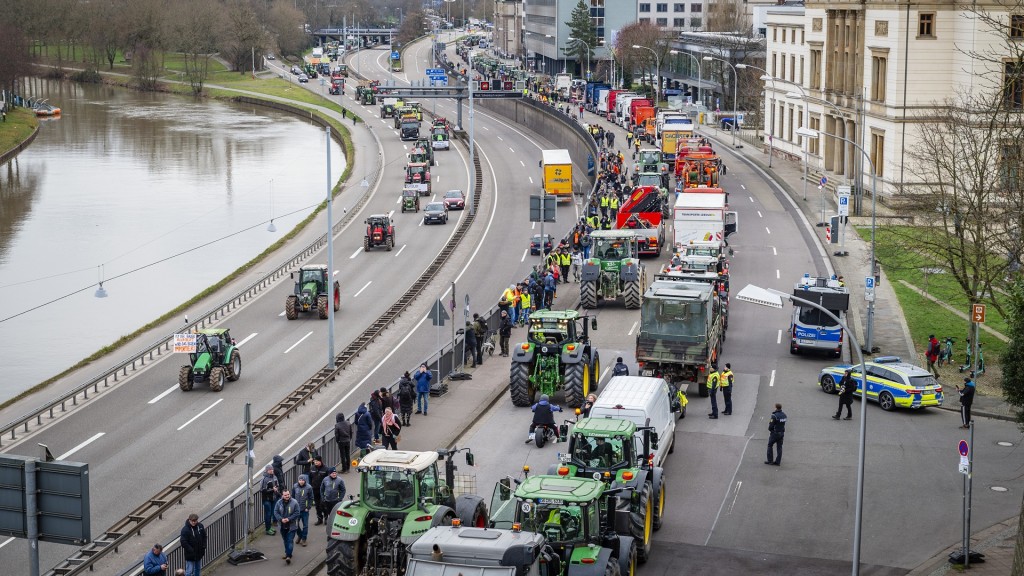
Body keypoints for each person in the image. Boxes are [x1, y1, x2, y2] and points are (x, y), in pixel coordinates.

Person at [274, 489, 301, 564]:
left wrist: (289, 519)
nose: (287, 496)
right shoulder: (279, 503)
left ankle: (288, 556)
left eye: (288, 494)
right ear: (282, 495)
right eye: (285, 495)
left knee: (289, 540)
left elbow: (297, 513)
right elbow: (275, 512)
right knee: (285, 540)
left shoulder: (294, 502)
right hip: (282, 525)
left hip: (292, 526)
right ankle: (287, 553)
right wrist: (281, 519)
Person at [292, 475, 315, 547]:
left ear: (305, 480)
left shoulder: (309, 487)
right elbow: (292, 497)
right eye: (300, 480)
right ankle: (300, 535)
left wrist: (308, 507)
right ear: (298, 480)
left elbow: (311, 498)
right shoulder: (295, 486)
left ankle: (304, 539)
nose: (301, 481)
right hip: (296, 510)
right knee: (296, 525)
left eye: (302, 480)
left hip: (305, 510)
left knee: (305, 526)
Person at [259, 465, 280, 535]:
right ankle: (267, 529)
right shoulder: (265, 479)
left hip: (273, 498)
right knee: (268, 514)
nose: (272, 470)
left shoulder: (274, 477)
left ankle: (269, 527)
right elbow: (262, 490)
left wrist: (277, 488)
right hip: (267, 499)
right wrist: (272, 490)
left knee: (271, 513)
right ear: (267, 470)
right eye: (270, 469)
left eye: (272, 469)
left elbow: (277, 485)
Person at [308, 458, 330, 525]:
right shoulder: (312, 468)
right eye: (315, 461)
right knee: (317, 505)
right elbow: (310, 477)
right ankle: (319, 518)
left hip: (323, 490)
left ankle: (326, 518)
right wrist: (311, 485)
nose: (315, 462)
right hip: (315, 489)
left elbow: (328, 479)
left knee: (323, 504)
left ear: (320, 461)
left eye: (317, 461)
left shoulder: (326, 468)